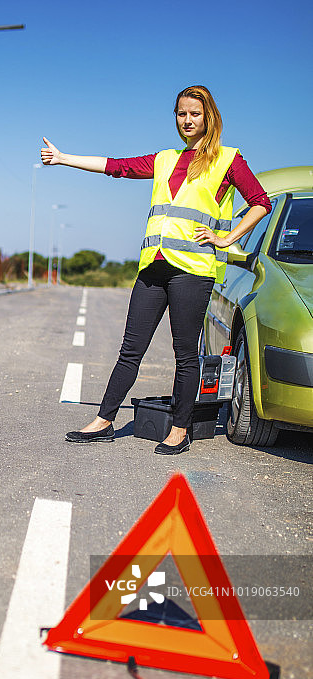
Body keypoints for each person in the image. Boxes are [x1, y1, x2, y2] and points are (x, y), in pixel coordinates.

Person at [41, 85, 272, 454]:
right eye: (181, 113)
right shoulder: (165, 159)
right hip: (153, 267)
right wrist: (63, 157)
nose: (187, 120)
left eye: (194, 114)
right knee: (130, 350)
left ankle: (179, 429)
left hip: (192, 271)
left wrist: (227, 238)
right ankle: (104, 420)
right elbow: (117, 167)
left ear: (208, 117)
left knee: (184, 355)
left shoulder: (229, 159)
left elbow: (261, 203)